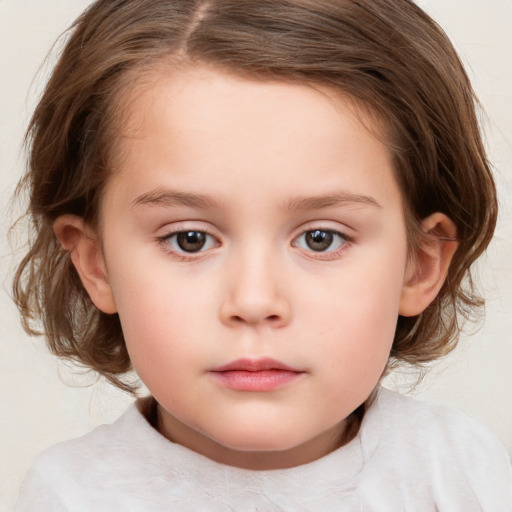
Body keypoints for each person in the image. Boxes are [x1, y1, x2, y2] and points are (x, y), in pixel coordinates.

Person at [11, 0, 512, 509]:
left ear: (420, 263)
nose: (254, 300)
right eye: (190, 239)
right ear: (97, 264)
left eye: (321, 238)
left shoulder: (462, 474)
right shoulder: (70, 494)